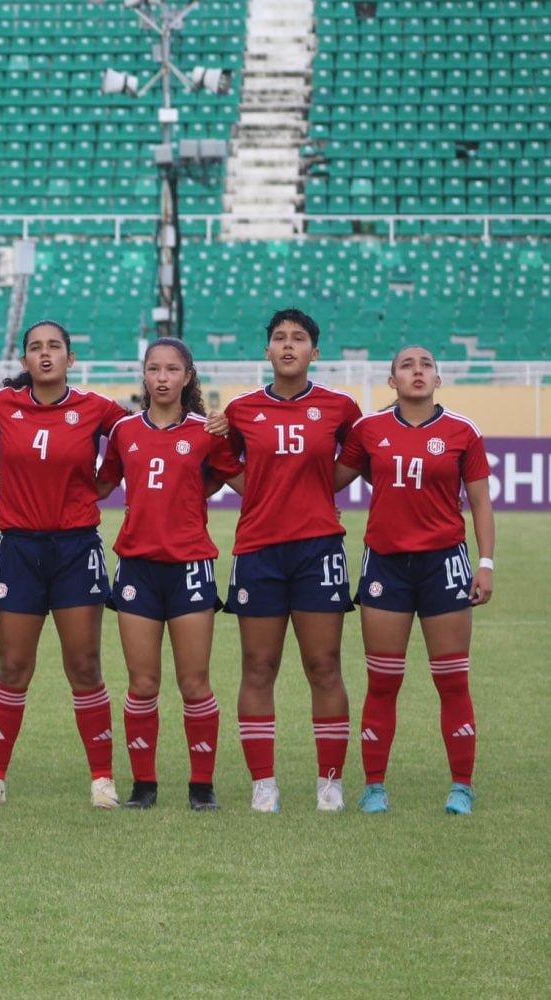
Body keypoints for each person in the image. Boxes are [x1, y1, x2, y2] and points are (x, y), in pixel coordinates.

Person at [0, 320, 129, 808]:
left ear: (69, 358)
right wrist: (3, 468)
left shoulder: (95, 408)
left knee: (84, 665)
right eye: (35, 348)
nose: (45, 355)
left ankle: (102, 780)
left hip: (77, 550)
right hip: (19, 550)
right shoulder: (0, 404)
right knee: (13, 666)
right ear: (24, 361)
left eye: (54, 347)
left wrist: (103, 482)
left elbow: (134, 436)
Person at [334, 344, 494, 815]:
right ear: (392, 381)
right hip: (386, 565)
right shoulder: (369, 430)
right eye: (407, 365)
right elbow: (329, 479)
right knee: (383, 681)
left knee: (452, 681)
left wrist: (486, 563)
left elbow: (481, 502)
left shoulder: (463, 432)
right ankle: (374, 787)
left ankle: (461, 786)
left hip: (445, 564)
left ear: (438, 379)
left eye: (426, 365)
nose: (418, 371)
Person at [221, 308, 363, 813]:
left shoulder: (341, 407)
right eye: (279, 338)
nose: (288, 346)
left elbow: (360, 455)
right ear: (267, 351)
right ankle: (264, 784)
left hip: (318, 549)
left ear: (314, 352)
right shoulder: (239, 410)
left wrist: (322, 489)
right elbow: (222, 459)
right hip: (258, 551)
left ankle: (331, 783)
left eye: (298, 339)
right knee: (258, 667)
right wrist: (258, 490)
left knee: (323, 665)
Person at [94, 338, 240, 811]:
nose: (161, 378)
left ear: (187, 377)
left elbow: (236, 478)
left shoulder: (207, 432)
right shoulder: (124, 432)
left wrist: (239, 430)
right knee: (142, 684)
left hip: (190, 567)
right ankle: (144, 785)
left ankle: (202, 787)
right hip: (137, 566)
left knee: (194, 683)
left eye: (171, 369)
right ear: (144, 376)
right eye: (153, 369)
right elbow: (99, 484)